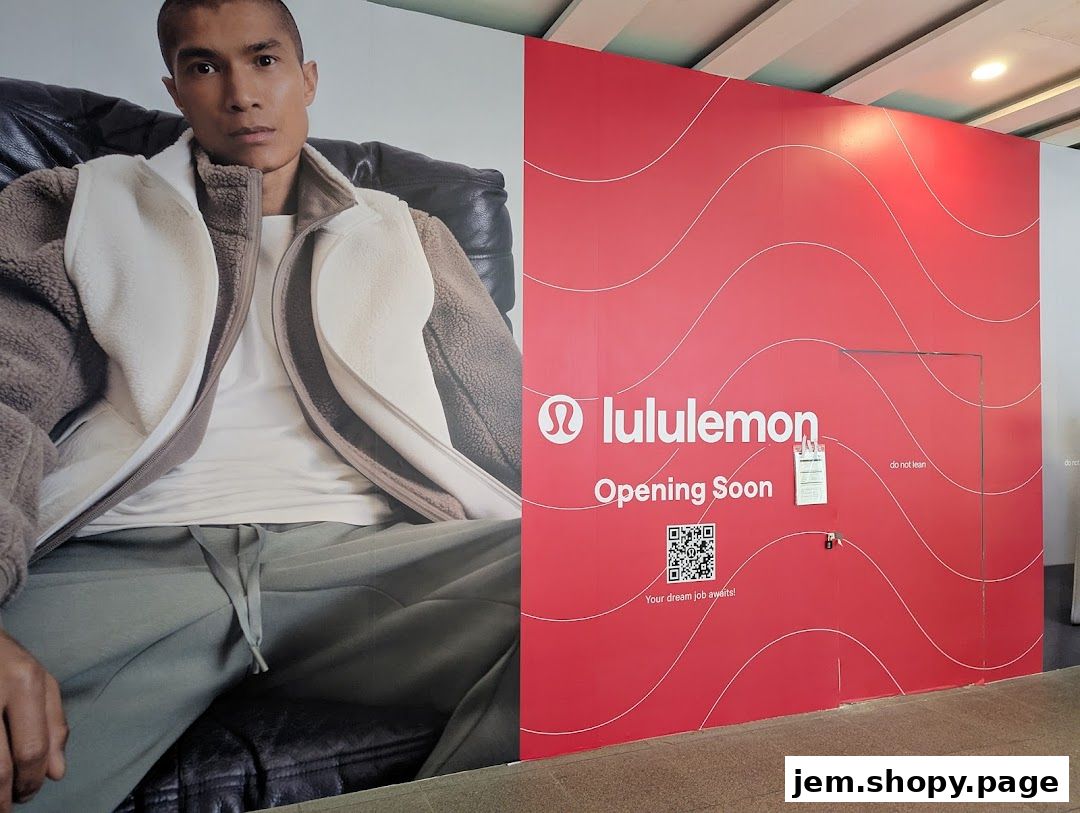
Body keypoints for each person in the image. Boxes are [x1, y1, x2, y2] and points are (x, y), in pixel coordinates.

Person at [0, 0, 522, 809]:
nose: (241, 92)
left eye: (265, 60)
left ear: (307, 78)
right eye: (205, 66)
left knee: (590, 592)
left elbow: (503, 417)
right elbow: (9, 399)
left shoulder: (407, 235)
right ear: (174, 88)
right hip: (128, 560)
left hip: (361, 560)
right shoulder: (77, 206)